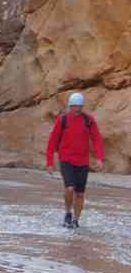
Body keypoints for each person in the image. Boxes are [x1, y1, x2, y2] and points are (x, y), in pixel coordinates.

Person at [46, 92, 105, 229]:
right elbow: (52, 141)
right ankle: (67, 212)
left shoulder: (88, 120)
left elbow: (97, 139)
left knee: (80, 193)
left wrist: (100, 158)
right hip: (66, 159)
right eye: (73, 107)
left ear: (82, 106)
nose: (76, 109)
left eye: (79, 107)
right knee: (69, 188)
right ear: (69, 106)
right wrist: (50, 162)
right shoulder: (63, 120)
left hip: (83, 162)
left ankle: (76, 220)